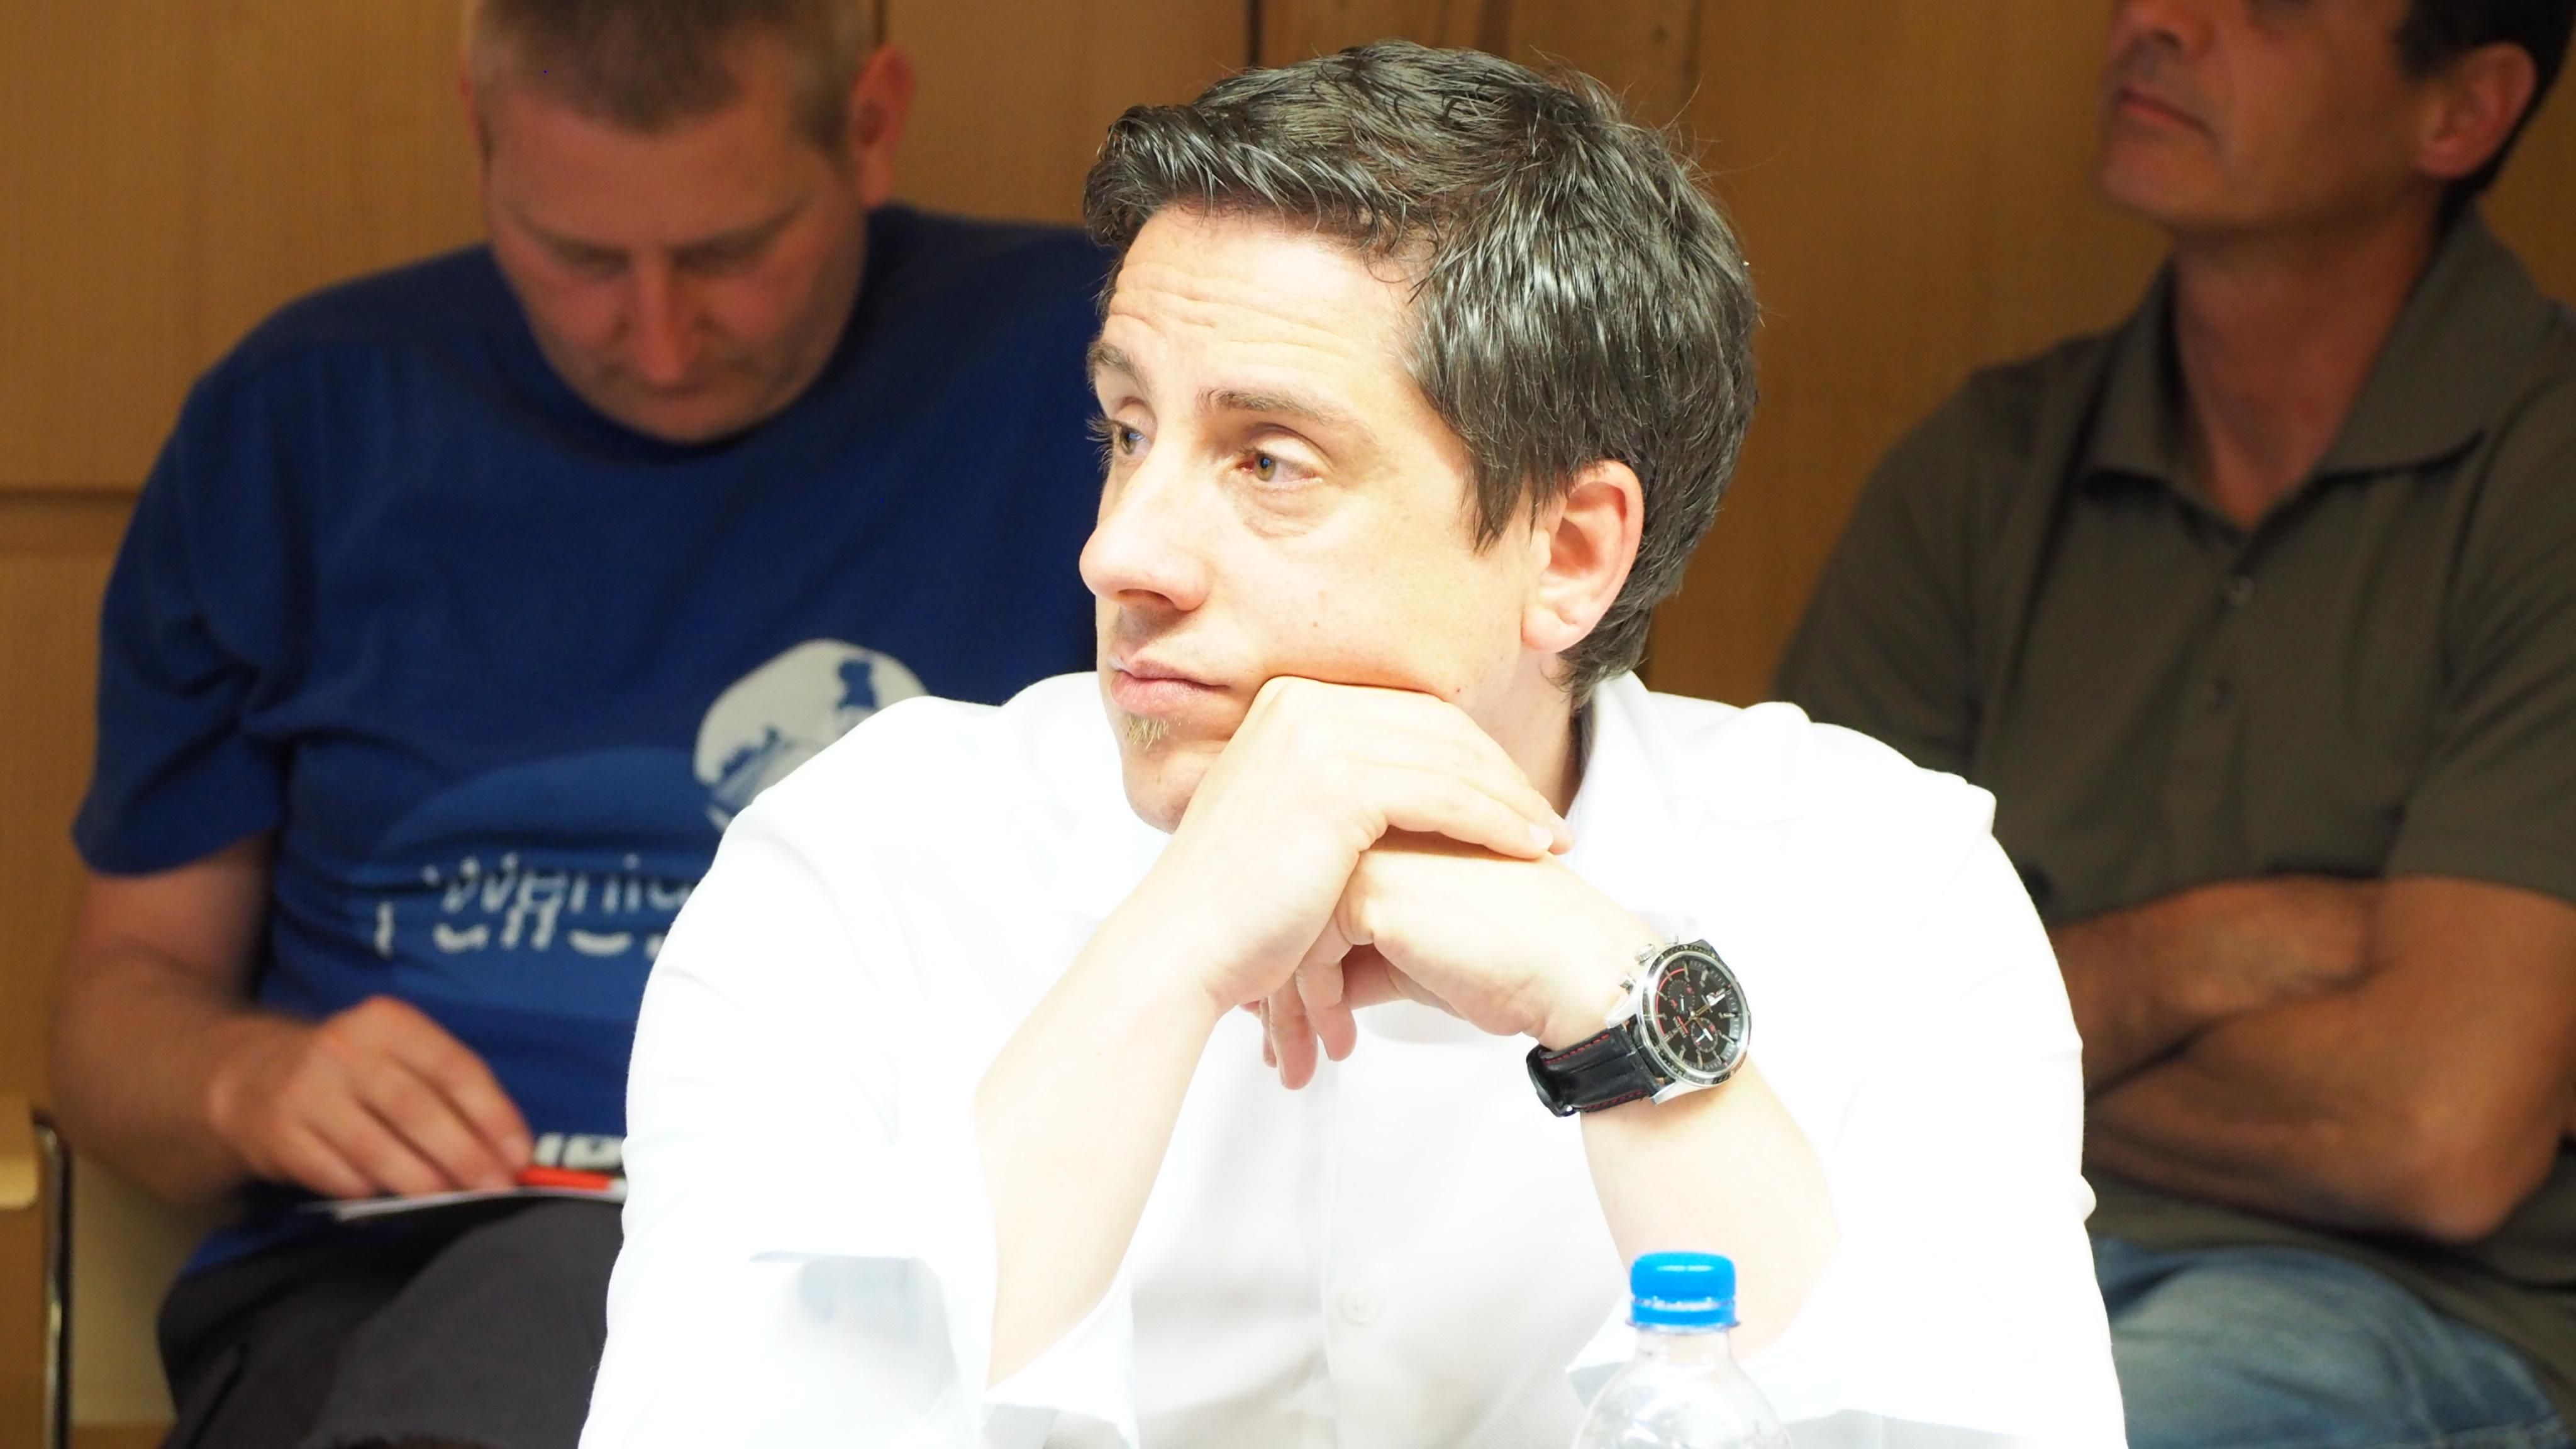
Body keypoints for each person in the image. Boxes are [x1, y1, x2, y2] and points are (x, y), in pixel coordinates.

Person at [581, 42, 2125, 1448]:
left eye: (1267, 461)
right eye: (1127, 431)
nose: (1120, 551)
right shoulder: (861, 861)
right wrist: (1162, 953)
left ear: (1568, 551)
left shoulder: (1883, 883)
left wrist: (1620, 1009)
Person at [44, 0, 1109, 1444]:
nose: (658, 343)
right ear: (481, 138)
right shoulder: (299, 420)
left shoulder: (1095, 383)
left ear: (868, 129)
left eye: (730, 254)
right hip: (394, 1274)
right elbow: (114, 1023)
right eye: (578, 258)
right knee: (554, 1311)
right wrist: (245, 1080)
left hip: (929, 1259)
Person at [1777, 0, 2576, 1443]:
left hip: (2388, 1307)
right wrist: (2204, 951)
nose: (2153, 19)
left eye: (2265, 3)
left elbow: (2435, 1131)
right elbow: (1785, 1024)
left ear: (2459, 111)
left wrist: (1974, 1044)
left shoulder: (2544, 471)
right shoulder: (1984, 464)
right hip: (1961, 1247)